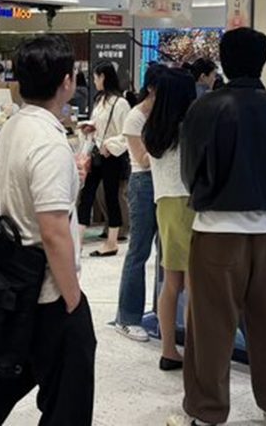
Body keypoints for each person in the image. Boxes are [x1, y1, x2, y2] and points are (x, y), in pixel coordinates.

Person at [0, 34, 95, 425]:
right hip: (47, 288)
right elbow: (53, 232)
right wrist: (72, 299)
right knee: (69, 394)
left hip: (12, 278)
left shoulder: (14, 126)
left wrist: (69, 180)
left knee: (12, 372)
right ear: (67, 82)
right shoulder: (48, 142)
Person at [175, 28, 266, 426]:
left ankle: (208, 411)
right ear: (263, 60)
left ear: (224, 61)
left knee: (210, 325)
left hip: (215, 229)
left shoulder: (205, 108)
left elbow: (189, 171)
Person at [143, 68, 198, 371]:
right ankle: (193, 352)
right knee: (193, 284)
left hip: (163, 203)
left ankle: (168, 350)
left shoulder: (153, 129)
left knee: (171, 281)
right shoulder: (187, 130)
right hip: (188, 204)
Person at [114, 63, 167, 343]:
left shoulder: (165, 113)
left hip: (165, 182)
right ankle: (127, 317)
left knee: (166, 252)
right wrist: (167, 140)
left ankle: (162, 310)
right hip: (143, 184)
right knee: (139, 251)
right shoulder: (135, 117)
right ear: (152, 89)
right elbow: (143, 159)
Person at [77, 61, 131, 257]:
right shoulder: (100, 100)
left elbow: (126, 134)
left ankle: (112, 242)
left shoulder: (120, 103)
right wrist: (89, 129)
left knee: (111, 197)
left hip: (112, 156)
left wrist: (109, 144)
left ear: (103, 77)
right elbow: (99, 126)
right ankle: (77, 242)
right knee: (86, 196)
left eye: (95, 77)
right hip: (97, 153)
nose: (94, 81)